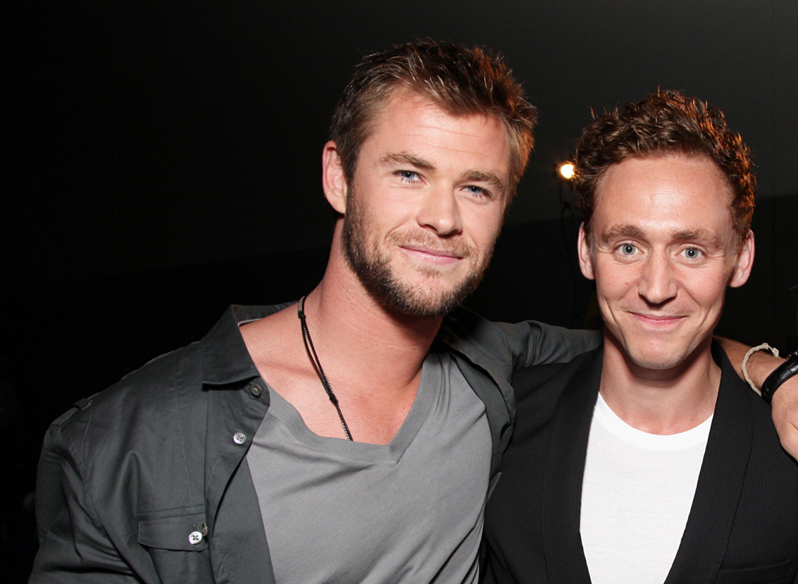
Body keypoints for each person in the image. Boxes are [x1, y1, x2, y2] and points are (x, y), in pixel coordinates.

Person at [28, 40, 602, 584]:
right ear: (339, 178)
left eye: (476, 189)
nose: (443, 218)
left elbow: (633, 340)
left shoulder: (494, 368)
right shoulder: (129, 442)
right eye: (409, 174)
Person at [482, 90, 798, 584]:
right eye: (628, 247)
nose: (656, 288)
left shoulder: (787, 445)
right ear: (586, 251)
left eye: (691, 251)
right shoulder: (501, 423)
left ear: (741, 258)